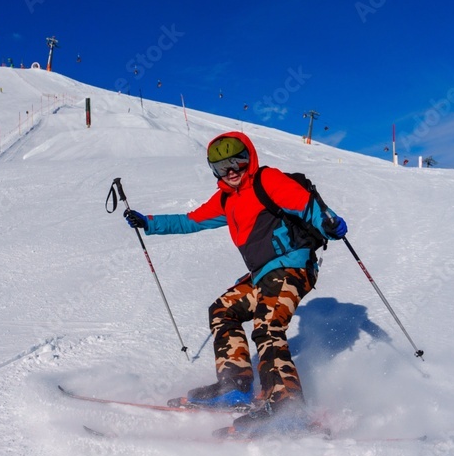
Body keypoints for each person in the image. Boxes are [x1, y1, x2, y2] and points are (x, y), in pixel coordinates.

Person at [124, 132, 347, 436]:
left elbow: (306, 206)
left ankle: (288, 406)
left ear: (249, 158)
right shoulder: (227, 199)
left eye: (237, 162)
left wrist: (329, 222)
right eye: (221, 167)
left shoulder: (267, 180)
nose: (230, 171)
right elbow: (192, 220)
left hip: (293, 266)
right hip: (263, 275)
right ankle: (235, 386)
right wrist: (149, 222)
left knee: (268, 326)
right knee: (223, 310)